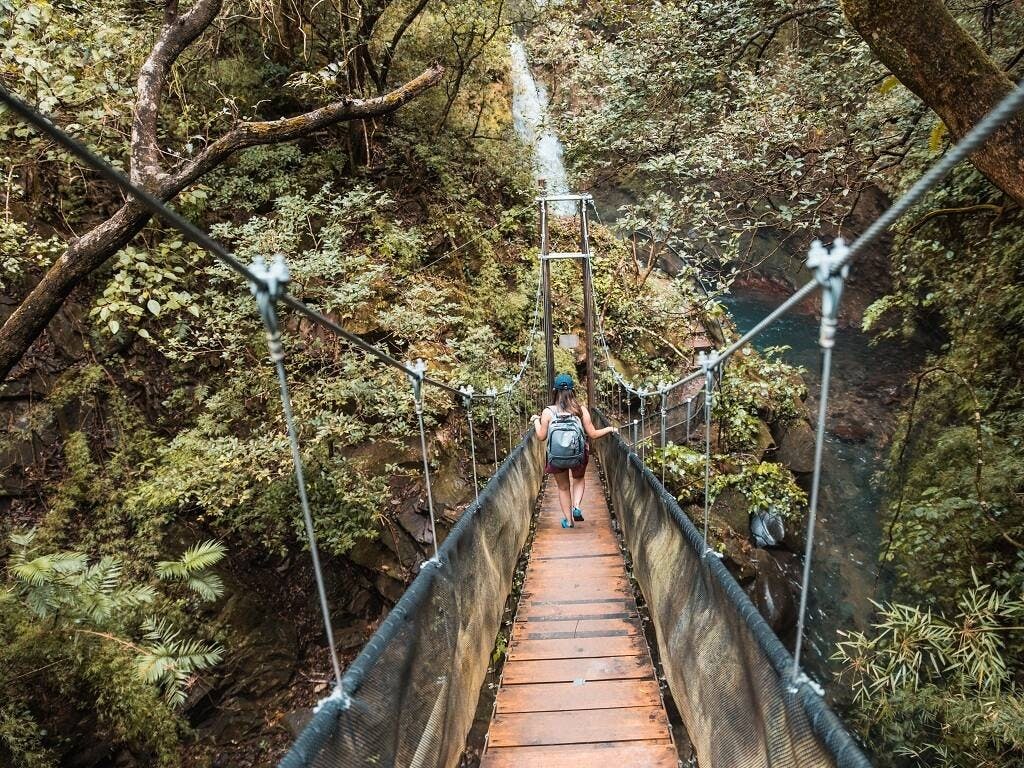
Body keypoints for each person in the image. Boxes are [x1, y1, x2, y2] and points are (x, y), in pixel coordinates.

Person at [531, 373, 617, 528]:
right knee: (578, 479)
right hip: (578, 454)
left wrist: (536, 421)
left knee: (563, 488)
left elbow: (541, 436)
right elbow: (593, 434)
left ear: (554, 390)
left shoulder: (548, 412)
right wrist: (610, 428)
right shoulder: (580, 410)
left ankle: (568, 521)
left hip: (556, 457)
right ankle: (576, 506)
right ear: (573, 390)